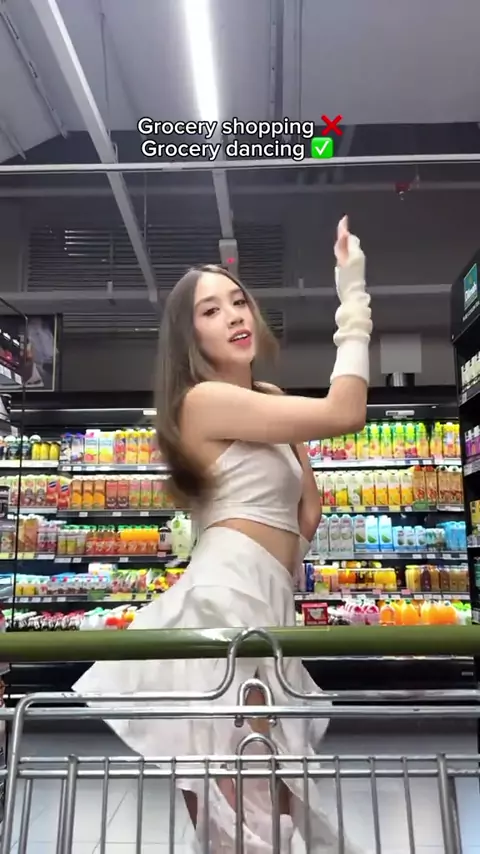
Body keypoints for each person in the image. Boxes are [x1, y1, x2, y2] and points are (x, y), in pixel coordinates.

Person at [74, 216, 372, 853]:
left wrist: (289, 427)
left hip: (268, 602)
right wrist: (353, 297)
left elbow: (307, 514)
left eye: (238, 300)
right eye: (210, 310)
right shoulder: (202, 402)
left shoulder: (264, 396)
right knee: (250, 810)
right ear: (191, 336)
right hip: (227, 603)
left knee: (266, 800)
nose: (234, 315)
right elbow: (345, 412)